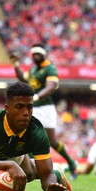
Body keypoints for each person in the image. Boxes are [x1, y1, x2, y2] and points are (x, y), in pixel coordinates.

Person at [10, 44, 78, 179]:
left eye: (38, 53)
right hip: (33, 108)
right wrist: (16, 64)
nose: (35, 56)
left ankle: (71, 163)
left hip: (46, 108)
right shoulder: (33, 69)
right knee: (27, 136)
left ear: (43, 54)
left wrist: (37, 96)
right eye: (33, 54)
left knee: (52, 140)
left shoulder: (50, 68)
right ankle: (30, 169)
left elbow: (51, 87)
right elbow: (23, 79)